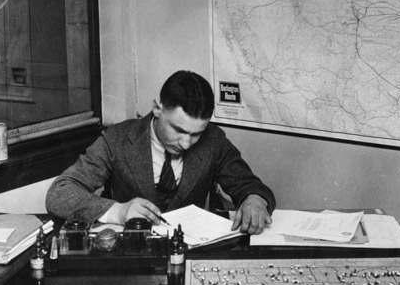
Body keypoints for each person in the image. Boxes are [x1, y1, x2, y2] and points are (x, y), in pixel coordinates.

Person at [46, 70, 275, 234]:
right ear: (157, 109)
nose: (186, 143)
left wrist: (254, 200)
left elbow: (249, 185)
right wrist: (118, 211)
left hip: (187, 254)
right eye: (178, 129)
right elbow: (60, 193)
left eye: (196, 134)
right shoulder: (117, 139)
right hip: (130, 261)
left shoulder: (213, 140)